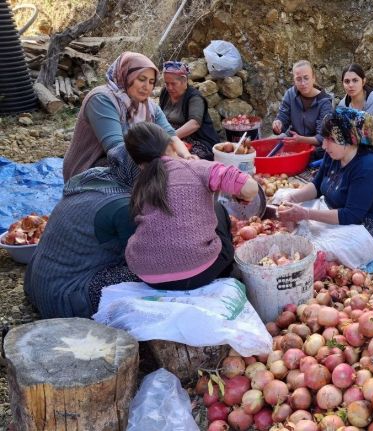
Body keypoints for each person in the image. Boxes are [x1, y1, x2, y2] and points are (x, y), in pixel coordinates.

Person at [124, 122, 259, 290]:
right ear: (173, 144)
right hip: (199, 272)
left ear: (138, 163)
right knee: (218, 209)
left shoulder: (140, 185)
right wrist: (240, 195)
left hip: (149, 275)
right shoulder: (197, 168)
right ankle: (228, 271)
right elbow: (251, 188)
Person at [24, 146, 141, 318]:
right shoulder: (123, 206)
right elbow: (141, 259)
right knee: (150, 274)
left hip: (38, 285)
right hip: (64, 298)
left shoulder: (96, 176)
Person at [277, 107, 373, 255]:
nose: (324, 145)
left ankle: (307, 240)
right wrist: (292, 197)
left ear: (350, 141)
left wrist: (306, 214)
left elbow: (351, 215)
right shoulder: (333, 154)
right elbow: (317, 186)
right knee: (281, 196)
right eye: (325, 139)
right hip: (338, 211)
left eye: (331, 140)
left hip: (372, 227)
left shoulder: (369, 166)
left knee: (321, 250)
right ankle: (301, 233)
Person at [63, 51, 194, 182]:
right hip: (89, 169)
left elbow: (170, 136)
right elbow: (117, 150)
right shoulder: (101, 100)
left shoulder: (149, 107)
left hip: (127, 162)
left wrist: (187, 158)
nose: (146, 87)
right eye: (141, 79)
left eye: (151, 82)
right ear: (126, 75)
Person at [159, 60, 220, 160]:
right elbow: (159, 116)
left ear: (184, 81)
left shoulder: (194, 97)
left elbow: (194, 124)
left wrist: (170, 138)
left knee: (181, 159)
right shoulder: (165, 93)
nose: (169, 87)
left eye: (173, 84)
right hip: (174, 137)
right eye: (167, 83)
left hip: (198, 141)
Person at [272, 60, 333, 158]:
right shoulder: (290, 94)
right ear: (294, 81)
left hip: (315, 146)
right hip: (294, 140)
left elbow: (322, 137)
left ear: (313, 78)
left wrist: (301, 139)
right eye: (298, 79)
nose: (303, 83)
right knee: (275, 145)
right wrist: (278, 124)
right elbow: (283, 117)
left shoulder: (325, 102)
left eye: (306, 78)